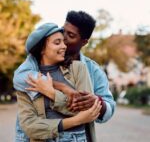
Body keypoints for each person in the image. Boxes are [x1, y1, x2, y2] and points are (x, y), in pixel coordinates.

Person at [13, 10, 115, 142]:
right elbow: (20, 77)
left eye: (70, 35)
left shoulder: (90, 69)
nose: (64, 38)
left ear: (84, 42)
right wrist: (59, 86)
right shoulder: (34, 61)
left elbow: (108, 107)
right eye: (63, 31)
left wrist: (97, 103)